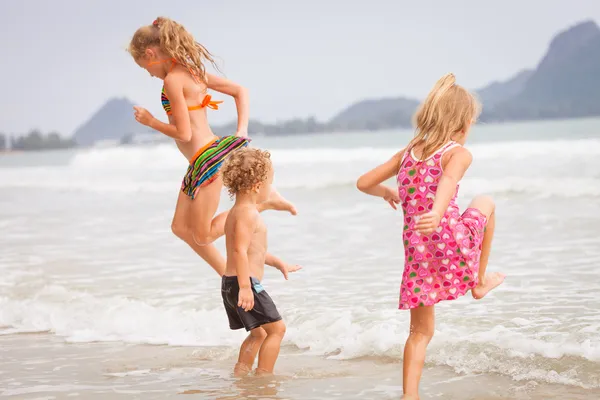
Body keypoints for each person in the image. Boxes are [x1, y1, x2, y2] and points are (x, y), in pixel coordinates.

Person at [356, 73, 506, 400]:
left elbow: (363, 182)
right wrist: (438, 213)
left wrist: (386, 192)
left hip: (419, 252)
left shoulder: (408, 152)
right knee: (487, 203)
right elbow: (448, 183)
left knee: (420, 332)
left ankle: (410, 396)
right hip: (450, 239)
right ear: (465, 122)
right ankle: (478, 281)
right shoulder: (458, 153)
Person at [127, 17, 297, 276]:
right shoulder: (193, 72)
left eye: (144, 67)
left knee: (204, 234)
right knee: (180, 228)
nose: (149, 74)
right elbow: (240, 91)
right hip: (200, 160)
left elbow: (183, 133)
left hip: (208, 159)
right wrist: (242, 129)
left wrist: (151, 121)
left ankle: (262, 203)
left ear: (151, 54)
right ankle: (226, 272)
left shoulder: (173, 80)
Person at [220, 148, 299, 376]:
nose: (271, 188)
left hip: (232, 282)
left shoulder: (236, 212)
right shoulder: (248, 214)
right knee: (277, 330)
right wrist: (246, 288)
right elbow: (239, 251)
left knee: (259, 333)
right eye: (270, 183)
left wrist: (278, 263)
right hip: (244, 284)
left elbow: (254, 251)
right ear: (257, 185)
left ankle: (241, 372)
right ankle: (264, 376)